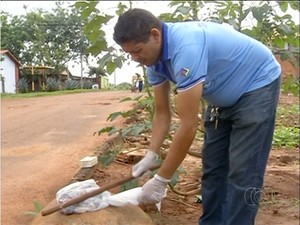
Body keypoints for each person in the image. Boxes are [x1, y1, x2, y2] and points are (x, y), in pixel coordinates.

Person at [113, 8, 281, 225]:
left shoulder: (187, 46)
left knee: (243, 173)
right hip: (223, 98)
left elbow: (188, 125)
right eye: (130, 54)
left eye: (137, 50)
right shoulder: (153, 61)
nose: (135, 59)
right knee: (213, 169)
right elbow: (162, 112)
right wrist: (151, 154)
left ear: (155, 35)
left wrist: (162, 180)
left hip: (258, 85)